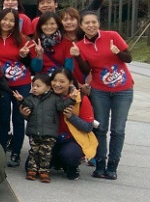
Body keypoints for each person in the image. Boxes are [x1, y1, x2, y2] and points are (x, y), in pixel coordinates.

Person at [72, 10, 133, 180]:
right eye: (87, 23)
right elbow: (86, 70)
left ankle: (112, 165)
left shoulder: (112, 36)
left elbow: (128, 58)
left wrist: (117, 52)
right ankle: (100, 164)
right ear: (81, 26)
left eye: (94, 22)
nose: (91, 25)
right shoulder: (80, 45)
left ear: (99, 23)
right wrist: (78, 57)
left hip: (123, 89)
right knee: (101, 128)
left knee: (118, 129)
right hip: (99, 90)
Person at [0, 8, 34, 167]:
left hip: (21, 84)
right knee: (3, 117)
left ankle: (16, 152)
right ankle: (1, 149)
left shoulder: (22, 39)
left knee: (18, 118)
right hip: (2, 84)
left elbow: (31, 64)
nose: (7, 23)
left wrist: (25, 56)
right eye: (5, 19)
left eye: (11, 20)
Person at [15, 73, 74, 182]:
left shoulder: (55, 99)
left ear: (48, 87)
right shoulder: (31, 99)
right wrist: (21, 100)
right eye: (33, 86)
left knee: (46, 153)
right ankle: (32, 170)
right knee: (33, 151)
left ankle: (44, 171)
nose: (35, 88)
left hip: (49, 133)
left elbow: (61, 107)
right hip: (34, 131)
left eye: (38, 86)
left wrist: (72, 99)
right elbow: (26, 105)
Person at [44, 67, 98, 180]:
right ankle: (56, 162)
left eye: (62, 81)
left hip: (71, 140)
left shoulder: (81, 99)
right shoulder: (45, 97)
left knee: (69, 155)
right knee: (30, 166)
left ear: (70, 83)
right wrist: (26, 114)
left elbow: (88, 127)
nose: (57, 84)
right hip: (50, 139)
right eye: (54, 80)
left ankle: (71, 166)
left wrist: (71, 117)